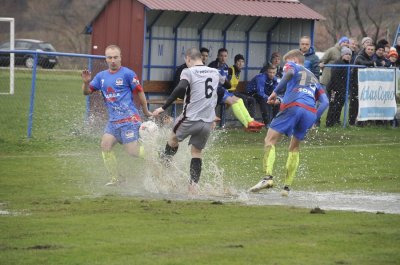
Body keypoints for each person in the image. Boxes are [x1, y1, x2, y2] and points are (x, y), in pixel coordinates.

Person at [248, 49, 328, 196]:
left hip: (294, 107)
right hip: (309, 112)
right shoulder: (315, 79)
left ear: (295, 60)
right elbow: (324, 102)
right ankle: (286, 188)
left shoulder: (292, 67)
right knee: (294, 148)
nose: (285, 66)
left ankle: (267, 178)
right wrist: (314, 120)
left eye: (287, 62)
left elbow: (290, 74)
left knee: (269, 140)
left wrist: (274, 93)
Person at [152, 47, 226, 191]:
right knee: (197, 153)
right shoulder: (215, 72)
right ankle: (193, 187)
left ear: (188, 58)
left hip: (189, 118)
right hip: (207, 121)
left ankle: (163, 169)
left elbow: (180, 88)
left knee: (172, 139)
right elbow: (225, 86)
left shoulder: (188, 71)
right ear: (201, 58)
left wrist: (163, 107)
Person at [81, 44, 153, 186]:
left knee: (132, 151)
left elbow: (140, 91)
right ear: (106, 59)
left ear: (120, 58)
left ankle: (157, 155)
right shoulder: (101, 76)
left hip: (129, 119)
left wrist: (145, 111)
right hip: (113, 122)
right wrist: (86, 83)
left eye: (115, 57)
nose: (112, 60)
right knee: (105, 145)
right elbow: (86, 92)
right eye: (109, 57)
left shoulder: (128, 74)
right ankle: (116, 179)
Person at [209, 48, 264, 129]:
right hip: (215, 92)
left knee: (240, 100)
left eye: (225, 56)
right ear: (217, 56)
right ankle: (247, 125)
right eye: (221, 56)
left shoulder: (225, 66)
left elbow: (226, 82)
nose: (223, 58)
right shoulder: (213, 66)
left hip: (223, 91)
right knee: (234, 102)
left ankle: (250, 121)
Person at [349, 43, 376, 126]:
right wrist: (372, 63)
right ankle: (351, 122)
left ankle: (361, 122)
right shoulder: (360, 56)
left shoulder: (369, 57)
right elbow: (361, 62)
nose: (370, 51)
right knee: (354, 104)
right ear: (365, 49)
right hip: (355, 84)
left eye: (372, 50)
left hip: (364, 84)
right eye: (369, 49)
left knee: (363, 103)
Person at [325, 47, 352, 127]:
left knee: (340, 105)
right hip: (334, 89)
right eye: (346, 54)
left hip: (342, 89)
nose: (348, 56)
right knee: (333, 105)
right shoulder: (338, 63)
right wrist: (339, 88)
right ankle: (329, 123)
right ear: (342, 55)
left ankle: (336, 120)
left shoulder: (347, 64)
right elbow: (335, 77)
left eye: (350, 54)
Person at [227, 54, 257, 118]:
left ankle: (251, 119)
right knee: (243, 98)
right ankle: (246, 119)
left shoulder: (238, 71)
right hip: (228, 92)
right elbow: (225, 84)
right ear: (235, 62)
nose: (240, 63)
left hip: (234, 92)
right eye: (239, 61)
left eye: (242, 61)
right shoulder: (230, 70)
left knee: (252, 99)